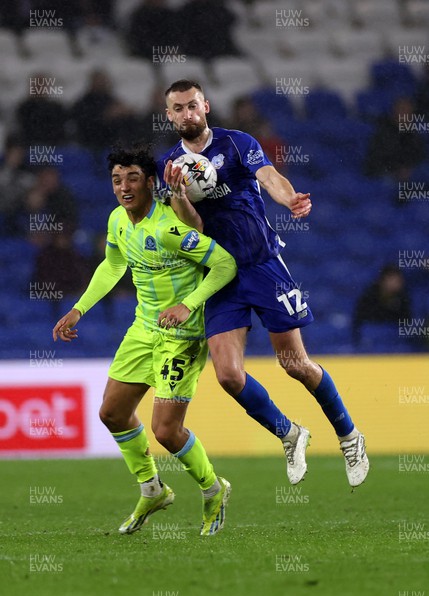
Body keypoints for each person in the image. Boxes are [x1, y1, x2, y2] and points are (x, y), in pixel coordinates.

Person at [156, 79, 369, 488]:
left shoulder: (236, 143)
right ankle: (290, 434)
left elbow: (269, 176)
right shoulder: (169, 164)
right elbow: (193, 228)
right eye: (178, 108)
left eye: (192, 106)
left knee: (295, 365)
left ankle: (349, 436)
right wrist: (179, 197)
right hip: (218, 274)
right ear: (169, 115)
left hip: (261, 263)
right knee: (228, 376)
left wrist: (289, 199)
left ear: (206, 106)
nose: (187, 114)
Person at [53, 142, 237, 536]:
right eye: (117, 179)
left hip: (183, 335)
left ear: (150, 182)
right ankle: (152, 489)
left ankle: (213, 488)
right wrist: (79, 308)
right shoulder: (118, 220)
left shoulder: (170, 226)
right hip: (143, 328)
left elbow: (224, 264)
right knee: (111, 413)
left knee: (167, 431)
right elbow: (113, 264)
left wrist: (188, 305)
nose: (123, 186)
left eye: (132, 177)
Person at [353, 265, 412, 344]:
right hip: (372, 337)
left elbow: (407, 322)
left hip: (395, 339)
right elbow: (361, 321)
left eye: (398, 281)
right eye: (392, 280)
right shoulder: (369, 296)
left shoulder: (404, 298)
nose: (395, 284)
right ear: (382, 280)